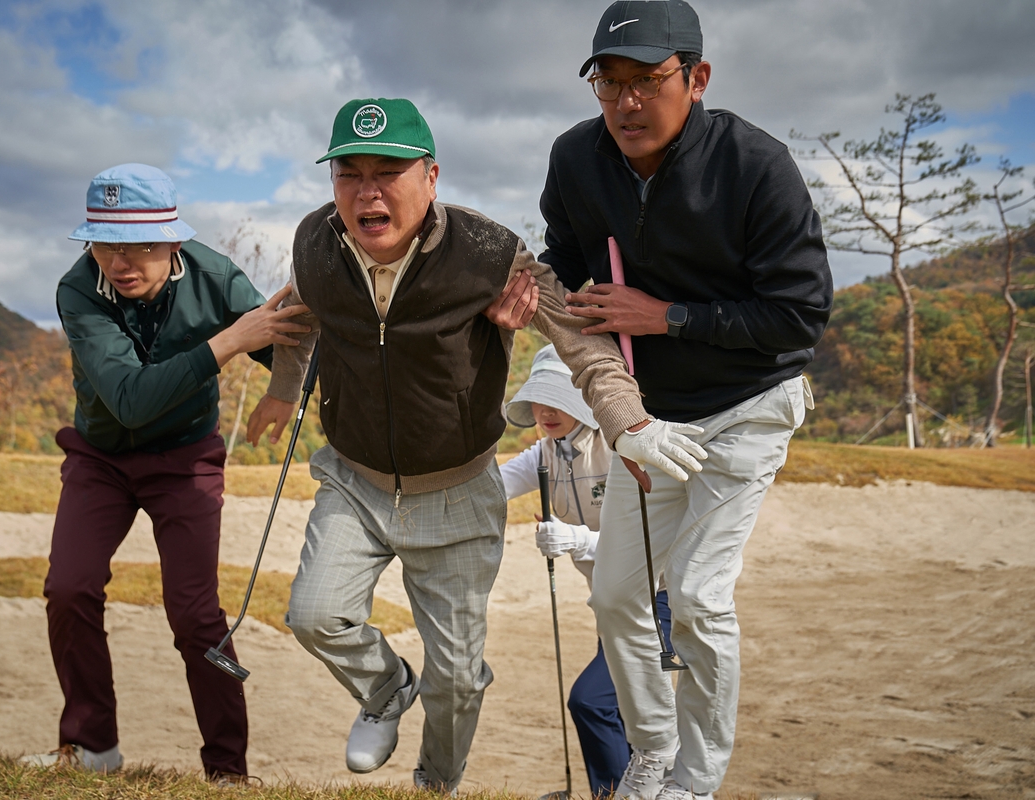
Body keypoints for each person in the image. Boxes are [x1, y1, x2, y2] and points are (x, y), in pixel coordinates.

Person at [245, 98, 703, 794]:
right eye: (349, 173)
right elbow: (300, 312)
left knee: (457, 678)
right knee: (315, 615)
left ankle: (436, 782)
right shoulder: (316, 241)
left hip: (457, 490)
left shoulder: (490, 254)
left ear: (431, 177)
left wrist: (627, 424)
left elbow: (584, 345)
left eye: (389, 172)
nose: (367, 191)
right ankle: (385, 690)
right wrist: (284, 388)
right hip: (355, 477)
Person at [538, 3, 834, 799]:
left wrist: (663, 316)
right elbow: (563, 264)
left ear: (696, 79)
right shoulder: (575, 158)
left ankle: (694, 786)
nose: (626, 101)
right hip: (653, 420)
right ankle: (656, 752)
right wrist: (551, 302)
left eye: (648, 80)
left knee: (699, 596)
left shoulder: (755, 165)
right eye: (609, 81)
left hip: (750, 404)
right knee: (616, 592)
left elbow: (800, 314)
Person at [20, 163, 310, 785]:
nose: (123, 261)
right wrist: (228, 342)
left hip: (184, 460)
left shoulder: (215, 277)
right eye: (106, 242)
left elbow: (288, 341)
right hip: (100, 458)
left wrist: (286, 386)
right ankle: (91, 745)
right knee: (68, 589)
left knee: (195, 615)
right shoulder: (77, 289)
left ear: (174, 241)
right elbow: (128, 398)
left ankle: (228, 772)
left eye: (143, 245)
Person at [500, 345, 674, 800]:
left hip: (659, 600)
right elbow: (490, 489)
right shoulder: (546, 454)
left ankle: (613, 794)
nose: (544, 411)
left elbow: (648, 545)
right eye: (538, 400)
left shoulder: (622, 450)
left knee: (592, 702)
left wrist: (574, 539)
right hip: (612, 604)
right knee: (629, 716)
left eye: (556, 398)